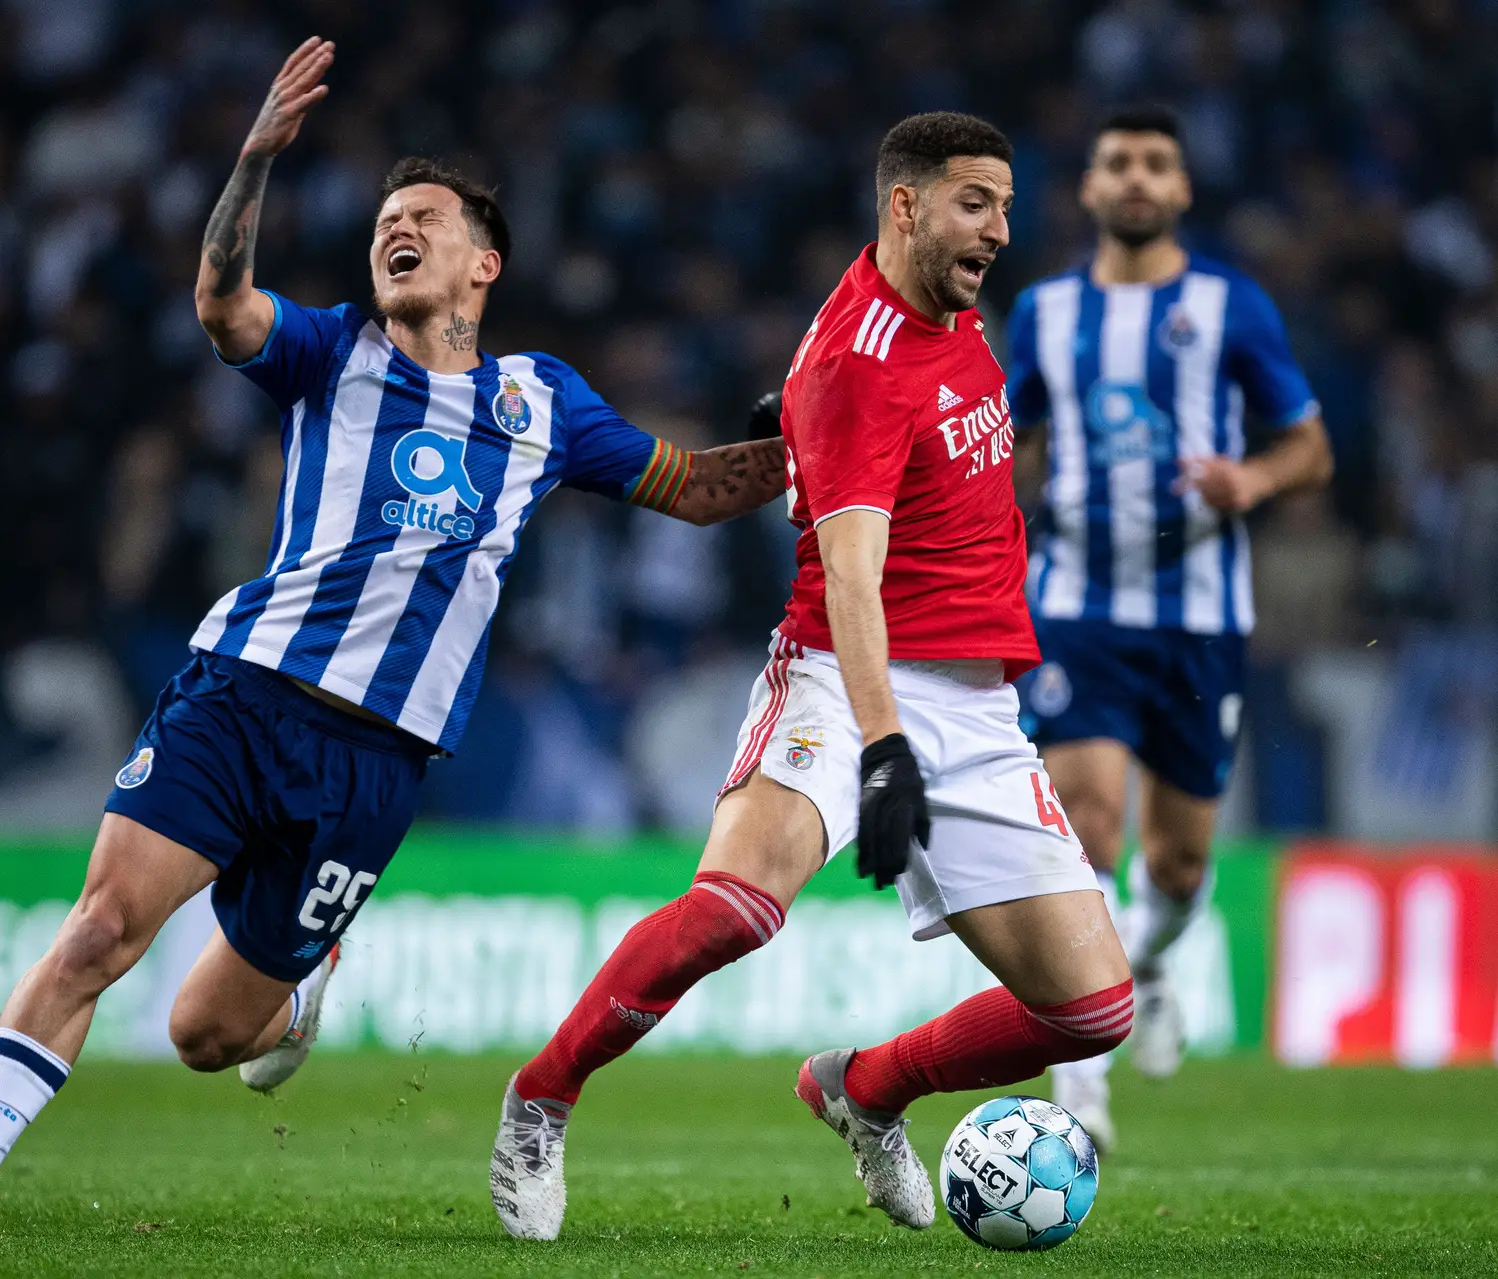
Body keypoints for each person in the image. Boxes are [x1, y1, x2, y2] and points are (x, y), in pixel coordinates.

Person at [0, 37, 787, 1237]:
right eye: (381, 222)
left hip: (376, 763)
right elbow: (220, 303)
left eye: (422, 217)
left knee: (205, 1034)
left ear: (485, 262)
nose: (394, 231)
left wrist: (816, 440)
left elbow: (697, 486)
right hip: (242, 694)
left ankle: (299, 985)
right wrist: (252, 164)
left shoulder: (543, 403)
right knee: (100, 928)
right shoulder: (331, 352)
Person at [491, 112, 1134, 1243]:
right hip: (845, 677)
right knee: (731, 912)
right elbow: (851, 579)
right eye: (975, 203)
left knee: (1093, 1010)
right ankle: (542, 1093)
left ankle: (867, 1086)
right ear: (906, 204)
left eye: (1007, 205)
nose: (1000, 228)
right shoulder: (856, 360)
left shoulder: (941, 307)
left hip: (978, 704)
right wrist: (884, 747)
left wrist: (794, 426)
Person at [1008, 104, 1333, 1149]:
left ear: (1183, 189)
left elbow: (1311, 448)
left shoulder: (1233, 309)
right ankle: (1083, 1074)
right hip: (1077, 608)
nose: (1137, 178)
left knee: (1182, 864)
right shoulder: (1046, 312)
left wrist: (1255, 476)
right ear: (1091, 189)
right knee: (1090, 823)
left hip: (1201, 620)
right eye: (1118, 163)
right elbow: (993, 434)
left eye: (1156, 163)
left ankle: (1145, 963)